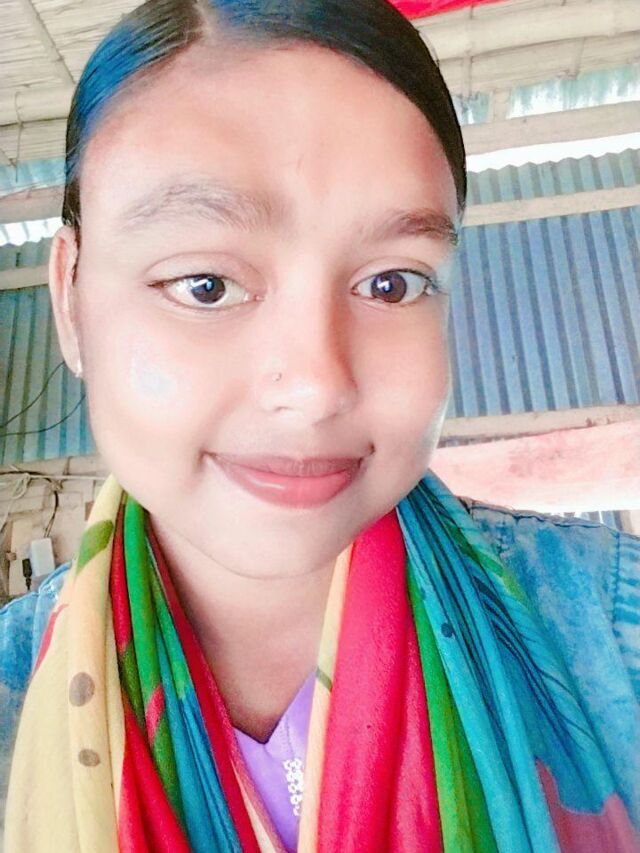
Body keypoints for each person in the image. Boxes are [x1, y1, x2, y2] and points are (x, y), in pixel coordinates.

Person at [0, 0, 638, 850]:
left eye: (392, 283)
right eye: (205, 285)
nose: (315, 386)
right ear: (71, 299)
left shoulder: (613, 634)